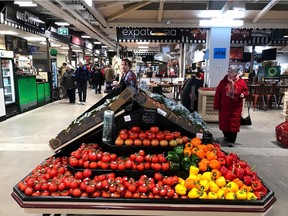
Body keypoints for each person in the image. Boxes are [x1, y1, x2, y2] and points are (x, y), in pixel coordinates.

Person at [213, 66, 249, 147]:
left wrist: (244, 94)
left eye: (231, 72)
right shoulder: (223, 82)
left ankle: (231, 140)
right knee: (224, 123)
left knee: (234, 124)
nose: (229, 73)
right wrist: (216, 105)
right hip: (224, 107)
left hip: (235, 107)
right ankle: (226, 136)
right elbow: (218, 94)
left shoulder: (241, 82)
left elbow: (246, 90)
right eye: (228, 71)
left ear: (236, 73)